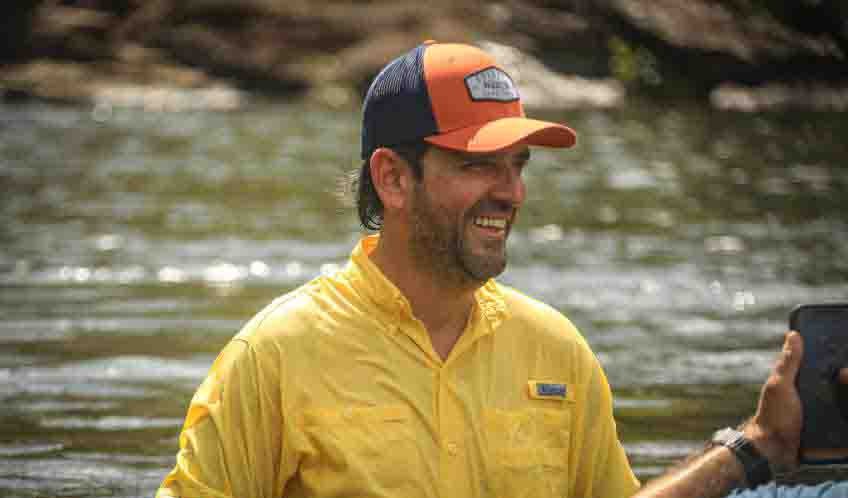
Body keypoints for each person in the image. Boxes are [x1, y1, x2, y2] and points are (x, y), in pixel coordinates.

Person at [156, 40, 844, 498]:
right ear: (394, 179)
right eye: (477, 164)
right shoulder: (274, 358)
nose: (511, 192)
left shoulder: (555, 351)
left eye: (517, 165)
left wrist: (754, 449)